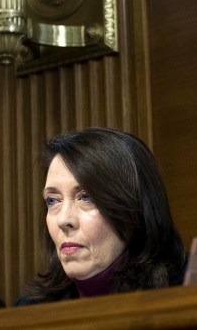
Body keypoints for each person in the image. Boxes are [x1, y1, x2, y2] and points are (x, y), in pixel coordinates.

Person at [17, 127, 185, 304]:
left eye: (86, 197)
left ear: (135, 208)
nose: (64, 220)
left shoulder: (193, 291)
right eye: (53, 201)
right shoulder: (28, 311)